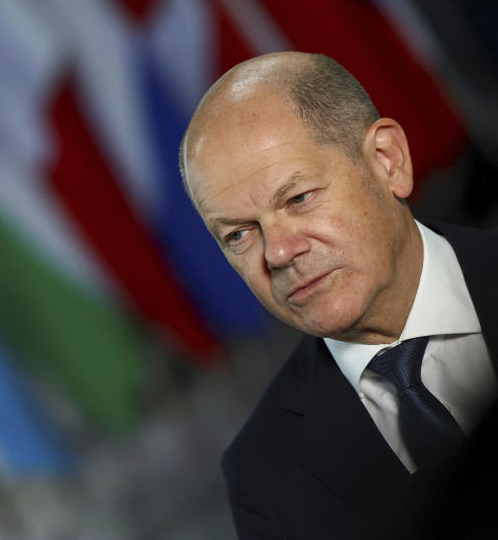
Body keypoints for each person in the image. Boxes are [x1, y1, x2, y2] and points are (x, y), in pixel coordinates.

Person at [180, 51, 498, 538]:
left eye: (298, 198)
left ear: (387, 162)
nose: (280, 252)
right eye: (240, 234)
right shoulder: (263, 479)